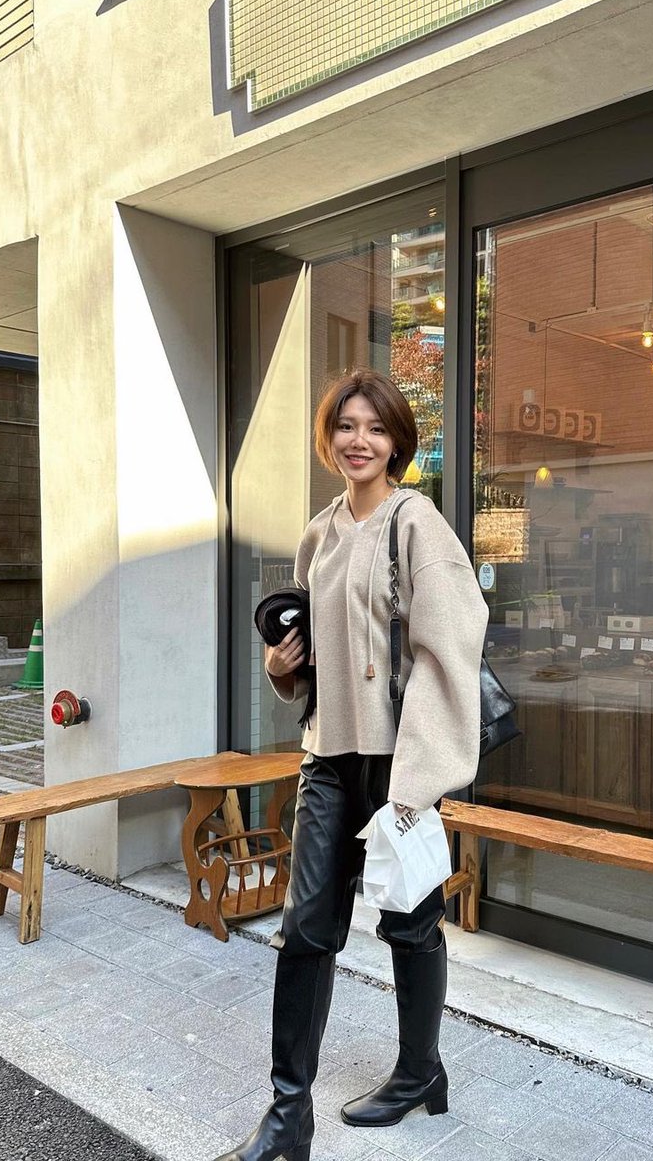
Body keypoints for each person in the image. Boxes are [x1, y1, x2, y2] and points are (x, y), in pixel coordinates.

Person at [215, 369, 488, 1161]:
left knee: (409, 922)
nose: (358, 440)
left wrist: (416, 785)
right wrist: (282, 666)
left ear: (397, 440)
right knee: (305, 928)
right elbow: (314, 651)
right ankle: (287, 1117)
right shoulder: (319, 533)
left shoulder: (417, 522)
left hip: (400, 762)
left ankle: (419, 1072)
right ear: (328, 437)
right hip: (328, 758)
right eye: (345, 426)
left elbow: (449, 647)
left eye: (374, 427)